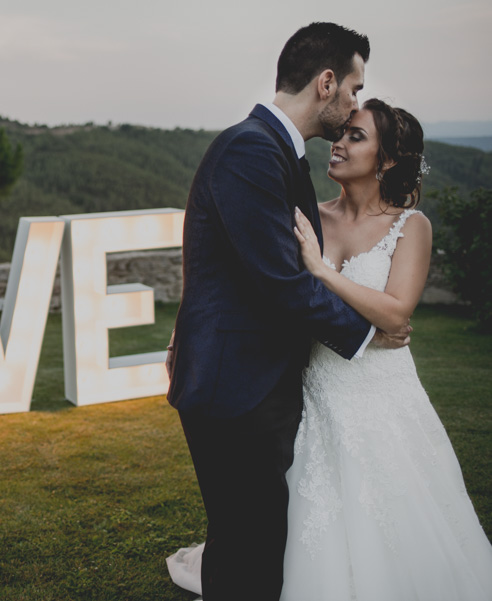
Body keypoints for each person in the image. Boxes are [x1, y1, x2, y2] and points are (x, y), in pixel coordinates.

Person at [168, 99, 492, 599]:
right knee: (297, 511)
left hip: (380, 392)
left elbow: (396, 313)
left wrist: (322, 272)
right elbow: (267, 281)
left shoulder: (411, 226)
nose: (338, 143)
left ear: (387, 160)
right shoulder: (310, 218)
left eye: (356, 136)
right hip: (314, 387)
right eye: (341, 134)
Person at [163, 23, 412, 601]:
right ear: (326, 82)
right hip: (235, 387)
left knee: (253, 543)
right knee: (248, 551)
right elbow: (280, 280)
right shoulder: (252, 148)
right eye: (353, 89)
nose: (354, 103)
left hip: (251, 382)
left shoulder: (278, 152)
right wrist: (366, 334)